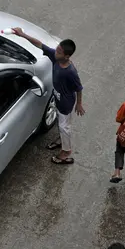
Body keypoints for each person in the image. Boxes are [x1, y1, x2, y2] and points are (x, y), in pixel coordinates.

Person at [12, 27, 85, 164]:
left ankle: (66, 152)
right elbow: (39, 44)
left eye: (59, 51)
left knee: (65, 127)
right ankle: (61, 141)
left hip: (66, 104)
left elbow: (79, 88)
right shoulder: (56, 57)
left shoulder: (70, 72)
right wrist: (23, 34)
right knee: (61, 124)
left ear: (67, 56)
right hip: (57, 99)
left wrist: (79, 104)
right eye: (57, 49)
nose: (55, 52)